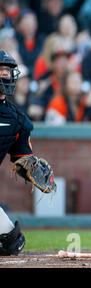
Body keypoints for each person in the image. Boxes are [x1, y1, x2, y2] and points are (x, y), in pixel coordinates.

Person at [0, 50, 55, 255]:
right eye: (1, 70)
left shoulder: (16, 119)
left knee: (12, 243)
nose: (6, 74)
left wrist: (30, 167)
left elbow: (21, 157)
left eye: (8, 71)